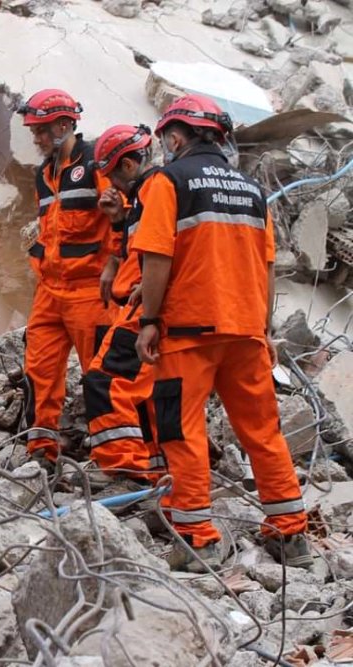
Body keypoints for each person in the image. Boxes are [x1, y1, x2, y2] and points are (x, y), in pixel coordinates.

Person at [131, 94, 310, 571]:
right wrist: (265, 328)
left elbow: (156, 256)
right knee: (263, 432)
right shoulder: (252, 191)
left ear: (174, 137)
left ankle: (197, 538)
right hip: (247, 331)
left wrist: (149, 319)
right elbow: (268, 267)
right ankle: (290, 531)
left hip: (190, 332)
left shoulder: (170, 181)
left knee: (181, 429)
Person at [14, 88, 118, 463]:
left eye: (41, 130)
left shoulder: (95, 164)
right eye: (34, 132)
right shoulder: (44, 175)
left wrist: (115, 266)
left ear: (64, 124)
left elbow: (123, 218)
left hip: (92, 291)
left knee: (103, 376)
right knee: (38, 371)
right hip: (50, 291)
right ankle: (41, 450)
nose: (36, 139)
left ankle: (119, 460)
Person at [80, 124, 166, 490]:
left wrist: (147, 303)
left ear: (129, 165)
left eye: (115, 172)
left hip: (141, 309)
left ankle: (126, 470)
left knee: (104, 382)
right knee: (145, 396)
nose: (113, 182)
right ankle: (156, 467)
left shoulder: (157, 192)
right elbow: (133, 249)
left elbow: (160, 252)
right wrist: (118, 224)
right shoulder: (144, 199)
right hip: (137, 305)